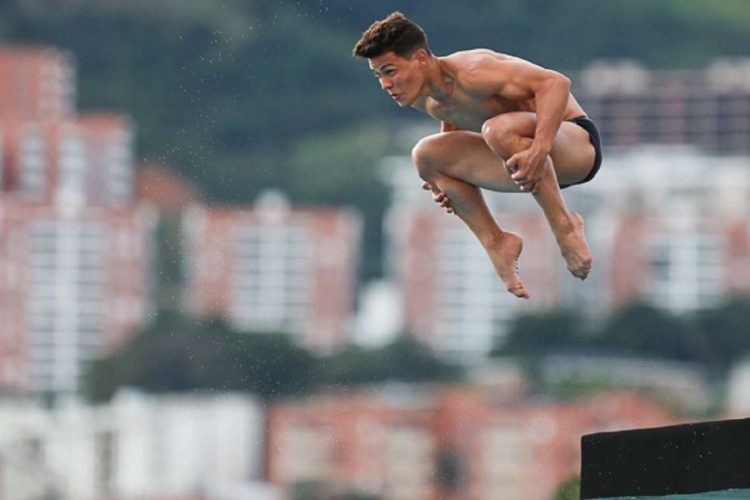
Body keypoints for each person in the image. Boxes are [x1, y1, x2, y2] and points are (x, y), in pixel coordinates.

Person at [353, 11, 602, 299]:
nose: (384, 84)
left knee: (496, 129)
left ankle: (565, 226)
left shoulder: (473, 71)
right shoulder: (425, 98)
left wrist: (540, 148)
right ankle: (498, 243)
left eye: (390, 70)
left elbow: (556, 84)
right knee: (425, 155)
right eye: (378, 75)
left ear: (421, 59)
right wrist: (448, 181)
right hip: (526, 164)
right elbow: (457, 125)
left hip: (574, 145)